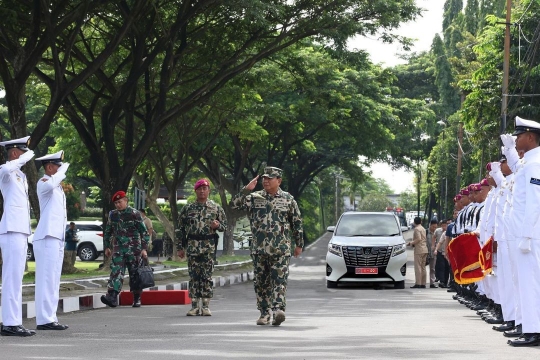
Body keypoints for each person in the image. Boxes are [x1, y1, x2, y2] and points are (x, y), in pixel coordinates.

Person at [231, 166, 303, 326]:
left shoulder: (288, 199)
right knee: (261, 282)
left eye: (270, 178)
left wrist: (299, 244)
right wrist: (245, 190)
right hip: (259, 248)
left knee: (279, 280)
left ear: (279, 181)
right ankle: (264, 313)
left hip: (281, 249)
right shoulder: (254, 198)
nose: (266, 181)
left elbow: (296, 223)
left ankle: (278, 310)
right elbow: (234, 206)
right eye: (264, 178)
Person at [504, 116, 540, 346]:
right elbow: (516, 168)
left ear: (530, 137)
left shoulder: (536, 164)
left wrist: (527, 233)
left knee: (530, 282)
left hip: (530, 234)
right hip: (520, 233)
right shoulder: (528, 162)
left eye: (518, 136)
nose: (516, 139)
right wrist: (509, 151)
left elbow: (536, 202)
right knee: (520, 281)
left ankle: (534, 331)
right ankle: (527, 326)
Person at [0, 136, 36, 337]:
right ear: (14, 153)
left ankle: (14, 322)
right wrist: (23, 159)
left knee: (16, 279)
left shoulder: (21, 177)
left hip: (21, 230)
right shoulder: (5, 172)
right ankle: (9, 323)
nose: (26, 156)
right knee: (11, 278)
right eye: (23, 152)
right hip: (11, 230)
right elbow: (5, 169)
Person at [176, 179, 227, 316]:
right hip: (192, 246)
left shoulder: (216, 208)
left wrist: (217, 226)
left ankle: (205, 305)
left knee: (207, 276)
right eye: (200, 189)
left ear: (209, 191)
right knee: (194, 277)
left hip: (208, 246)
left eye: (205, 189)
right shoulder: (188, 208)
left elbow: (224, 226)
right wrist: (180, 247)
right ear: (196, 191)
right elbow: (180, 229)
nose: (202, 191)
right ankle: (193, 306)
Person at [33, 150, 70, 331]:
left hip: (56, 237)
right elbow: (50, 184)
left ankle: (50, 317)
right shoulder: (44, 182)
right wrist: (63, 171)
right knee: (46, 279)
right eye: (58, 165)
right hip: (47, 237)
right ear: (49, 167)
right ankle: (44, 319)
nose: (60, 169)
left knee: (54, 279)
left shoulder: (57, 186)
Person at [100, 191, 150, 308]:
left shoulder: (134, 214)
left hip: (134, 249)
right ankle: (112, 296)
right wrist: (107, 246)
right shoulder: (113, 215)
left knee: (135, 274)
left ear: (126, 201)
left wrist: (144, 248)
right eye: (116, 203)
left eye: (120, 202)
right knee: (116, 271)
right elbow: (108, 231)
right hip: (118, 249)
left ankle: (136, 298)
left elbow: (144, 232)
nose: (118, 205)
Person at [407, 217, 428, 289]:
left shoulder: (416, 229)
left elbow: (418, 239)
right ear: (421, 221)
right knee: (423, 267)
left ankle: (418, 283)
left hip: (419, 250)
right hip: (424, 249)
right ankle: (423, 283)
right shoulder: (423, 228)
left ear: (414, 222)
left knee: (418, 267)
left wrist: (410, 243)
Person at [427, 219, 438, 288]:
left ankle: (432, 283)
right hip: (426, 252)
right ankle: (421, 282)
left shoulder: (437, 233)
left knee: (432, 269)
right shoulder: (425, 232)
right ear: (430, 225)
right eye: (433, 227)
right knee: (422, 268)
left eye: (435, 227)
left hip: (433, 253)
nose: (434, 228)